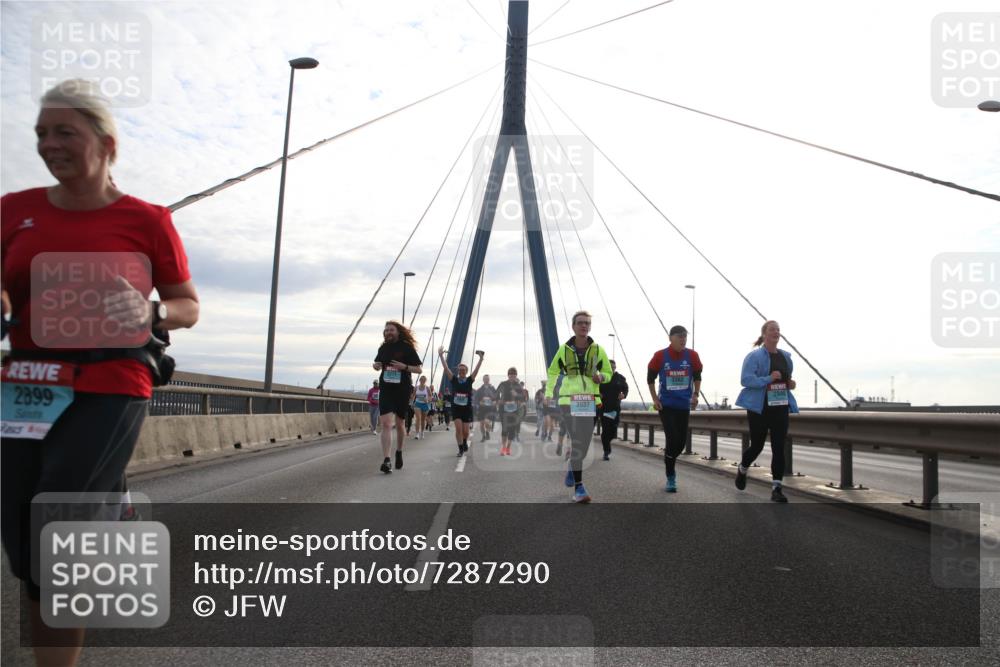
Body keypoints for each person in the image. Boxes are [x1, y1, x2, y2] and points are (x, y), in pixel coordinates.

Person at [1, 79, 200, 666]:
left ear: (106, 143)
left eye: (65, 132)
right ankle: (111, 511)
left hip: (112, 381)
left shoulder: (147, 220)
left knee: (57, 532)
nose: (49, 144)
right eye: (42, 133)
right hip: (29, 383)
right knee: (21, 536)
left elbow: (187, 304)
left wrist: (152, 311)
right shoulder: (13, 211)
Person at [545, 311, 611, 503]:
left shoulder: (598, 350)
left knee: (584, 443)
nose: (584, 326)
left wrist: (602, 377)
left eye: (587, 323)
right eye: (580, 323)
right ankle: (579, 488)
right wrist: (549, 394)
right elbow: (552, 372)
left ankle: (572, 469)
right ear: (573, 326)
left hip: (589, 400)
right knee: (577, 442)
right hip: (568, 401)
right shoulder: (564, 349)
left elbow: (607, 371)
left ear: (589, 327)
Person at [734, 320, 798, 502]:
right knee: (757, 446)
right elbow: (746, 380)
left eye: (778, 329)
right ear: (764, 334)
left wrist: (790, 384)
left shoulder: (786, 357)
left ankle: (777, 488)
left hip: (780, 407)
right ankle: (742, 469)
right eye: (772, 329)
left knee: (779, 447)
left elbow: (786, 380)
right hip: (760, 408)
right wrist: (768, 378)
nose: (776, 332)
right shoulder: (754, 357)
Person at [647, 325, 703, 493]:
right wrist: (655, 399)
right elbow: (650, 378)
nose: (683, 339)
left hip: (683, 405)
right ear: (670, 338)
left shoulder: (692, 355)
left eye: (685, 336)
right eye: (679, 336)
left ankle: (669, 458)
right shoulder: (660, 356)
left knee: (680, 443)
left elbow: (698, 376)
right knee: (672, 439)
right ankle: (671, 476)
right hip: (666, 406)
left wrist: (696, 395)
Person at [373, 321, 422, 474]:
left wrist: (405, 367)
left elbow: (418, 369)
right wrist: (376, 366)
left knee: (400, 424)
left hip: (402, 389)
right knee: (386, 424)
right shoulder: (383, 348)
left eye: (391, 330)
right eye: (386, 330)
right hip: (386, 389)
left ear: (398, 332)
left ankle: (399, 451)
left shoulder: (407, 348)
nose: (388, 332)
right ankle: (387, 460)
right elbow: (377, 363)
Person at [438, 347, 484, 456]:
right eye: (460, 370)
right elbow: (446, 368)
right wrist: (441, 356)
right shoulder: (454, 380)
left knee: (466, 432)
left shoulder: (469, 380)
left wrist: (481, 359)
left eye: (463, 370)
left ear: (466, 371)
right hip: (456, 408)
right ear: (458, 371)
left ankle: (464, 442)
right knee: (458, 429)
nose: (462, 371)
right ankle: (460, 449)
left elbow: (476, 370)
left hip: (466, 409)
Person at [598, 359, 629, 460]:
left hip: (615, 409)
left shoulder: (620, 378)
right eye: (610, 367)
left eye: (613, 367)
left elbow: (625, 388)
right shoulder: (601, 378)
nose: (612, 368)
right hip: (604, 408)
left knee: (613, 431)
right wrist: (598, 394)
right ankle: (606, 451)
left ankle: (607, 441)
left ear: (615, 367)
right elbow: (595, 388)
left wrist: (623, 394)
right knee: (606, 430)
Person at [496, 368, 526, 456]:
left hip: (514, 410)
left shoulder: (518, 386)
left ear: (516, 376)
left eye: (514, 375)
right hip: (503, 409)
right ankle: (503, 447)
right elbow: (496, 394)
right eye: (510, 375)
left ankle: (508, 447)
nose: (512, 376)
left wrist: (517, 395)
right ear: (508, 375)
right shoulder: (503, 384)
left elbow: (523, 398)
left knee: (512, 429)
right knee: (505, 429)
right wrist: (498, 401)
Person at [475, 374, 498, 442]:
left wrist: (494, 402)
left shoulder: (493, 388)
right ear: (483, 380)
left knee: (487, 422)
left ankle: (487, 432)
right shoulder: (480, 389)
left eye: (487, 379)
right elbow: (476, 399)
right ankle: (483, 436)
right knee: (482, 424)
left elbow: (497, 397)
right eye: (485, 379)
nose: (486, 380)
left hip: (490, 409)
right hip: (482, 409)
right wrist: (479, 402)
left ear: (489, 380)